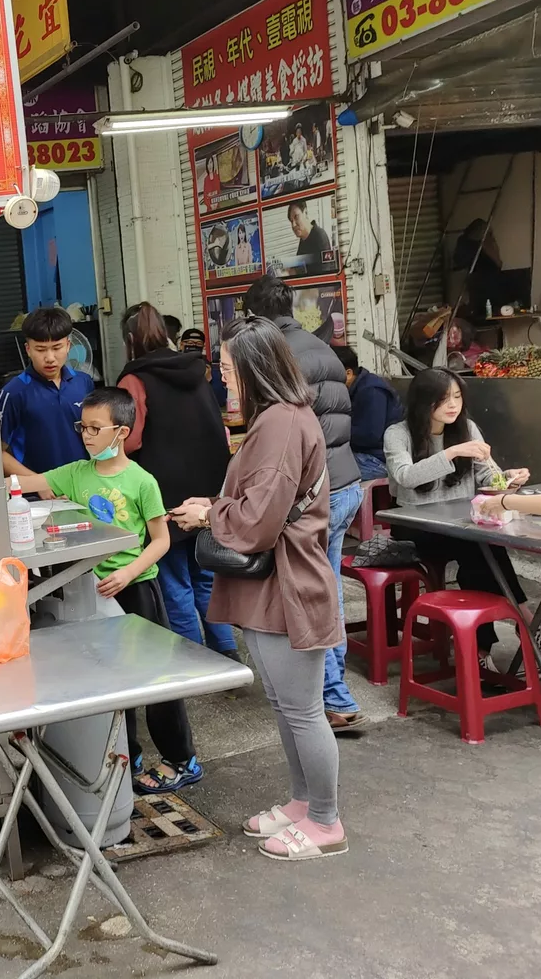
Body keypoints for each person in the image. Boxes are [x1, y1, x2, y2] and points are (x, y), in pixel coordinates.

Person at [169, 317, 345, 861]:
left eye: (227, 371)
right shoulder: (280, 418)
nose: (223, 381)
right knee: (285, 704)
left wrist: (208, 512)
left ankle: (325, 820)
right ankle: (302, 802)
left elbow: (258, 521)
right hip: (275, 582)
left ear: (255, 372)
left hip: (288, 584)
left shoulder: (280, 425)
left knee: (302, 710)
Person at [24, 387, 202, 794]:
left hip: (137, 588)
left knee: (156, 677)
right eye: (82, 427)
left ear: (121, 432)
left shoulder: (142, 481)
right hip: (93, 593)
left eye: (95, 428)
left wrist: (128, 574)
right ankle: (129, 753)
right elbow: (25, 481)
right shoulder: (74, 473)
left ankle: (181, 759)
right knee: (111, 679)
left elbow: (160, 540)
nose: (86, 436)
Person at [243, 274, 364, 730]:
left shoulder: (279, 356)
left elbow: (289, 437)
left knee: (311, 595)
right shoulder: (324, 348)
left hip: (314, 492)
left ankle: (331, 697)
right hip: (347, 482)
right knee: (326, 588)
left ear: (253, 314)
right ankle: (335, 692)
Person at [384, 369, 541, 667]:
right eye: (442, 399)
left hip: (462, 525)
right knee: (479, 547)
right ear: (422, 402)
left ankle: (484, 650)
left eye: (456, 397)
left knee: (481, 549)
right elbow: (405, 477)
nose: (452, 405)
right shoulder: (398, 434)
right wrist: (453, 452)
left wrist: (509, 478)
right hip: (416, 527)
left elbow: (487, 475)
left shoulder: (467, 427)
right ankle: (528, 626)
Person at [116, 304, 237, 659]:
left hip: (164, 494)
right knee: (206, 576)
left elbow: (131, 440)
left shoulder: (134, 379)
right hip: (205, 493)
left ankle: (195, 659)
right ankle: (226, 649)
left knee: (174, 583)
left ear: (129, 339)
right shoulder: (194, 369)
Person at [0, 306, 93, 481]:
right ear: (28, 349)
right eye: (40, 349)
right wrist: (40, 483)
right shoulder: (12, 394)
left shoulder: (84, 383)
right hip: (36, 495)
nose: (50, 357)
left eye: (57, 348)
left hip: (82, 485)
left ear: (69, 346)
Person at [334, 345, 403, 480]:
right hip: (365, 454)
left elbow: (370, 436)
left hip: (379, 460)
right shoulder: (355, 388)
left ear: (348, 373)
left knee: (331, 474)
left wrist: (336, 433)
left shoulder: (371, 391)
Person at [287, 200, 333, 274]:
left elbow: (326, 272)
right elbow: (300, 264)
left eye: (296, 217)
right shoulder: (303, 238)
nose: (293, 225)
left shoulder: (320, 236)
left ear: (305, 213)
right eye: (291, 221)